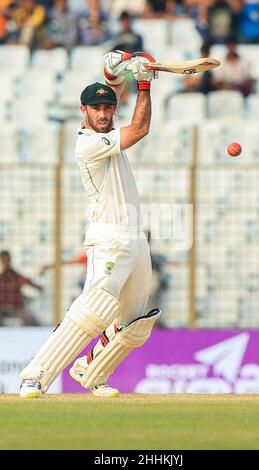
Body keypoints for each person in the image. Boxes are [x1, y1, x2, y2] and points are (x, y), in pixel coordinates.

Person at [19, 50, 161, 399]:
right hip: (109, 238)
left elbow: (112, 98)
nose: (102, 113)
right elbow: (140, 128)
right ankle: (35, 376)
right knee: (94, 310)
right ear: (83, 111)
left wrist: (116, 73)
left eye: (107, 107)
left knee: (135, 324)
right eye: (95, 108)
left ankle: (92, 373)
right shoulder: (89, 145)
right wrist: (142, 81)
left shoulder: (107, 135)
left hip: (136, 239)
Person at [0, 250, 43, 326]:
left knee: (33, 321)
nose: (5, 262)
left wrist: (38, 287)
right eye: (3, 260)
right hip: (2, 309)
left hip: (16, 309)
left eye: (7, 259)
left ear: (10, 260)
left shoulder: (17, 277)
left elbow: (33, 284)